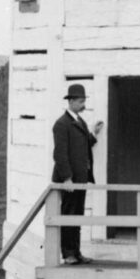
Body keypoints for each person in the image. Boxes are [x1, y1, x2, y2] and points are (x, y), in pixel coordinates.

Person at [51, 83, 102, 265]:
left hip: (80, 180)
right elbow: (60, 154)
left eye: (84, 100)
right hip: (70, 181)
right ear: (71, 101)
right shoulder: (62, 124)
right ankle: (68, 254)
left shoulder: (79, 121)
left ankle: (77, 252)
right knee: (68, 216)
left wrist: (93, 134)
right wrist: (67, 178)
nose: (83, 104)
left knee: (77, 216)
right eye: (80, 101)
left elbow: (83, 144)